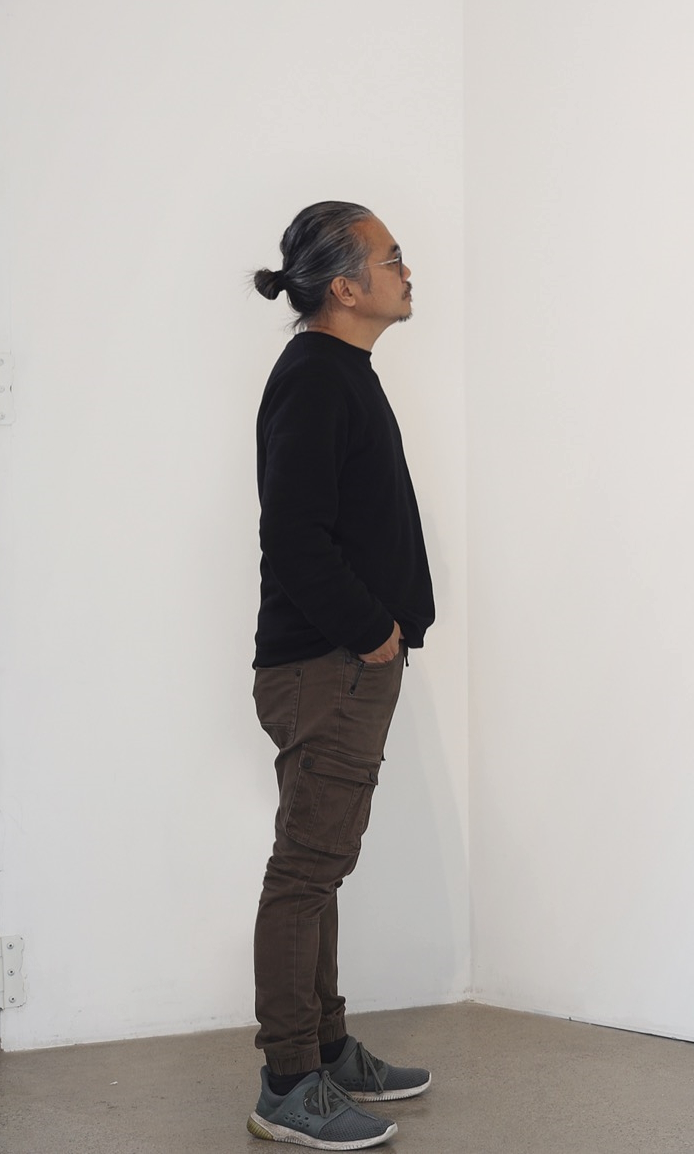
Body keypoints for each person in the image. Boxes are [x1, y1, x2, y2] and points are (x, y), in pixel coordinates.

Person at [245, 201, 435, 1149]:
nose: (410, 270)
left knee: (319, 870)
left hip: (339, 666)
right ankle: (288, 1081)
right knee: (305, 871)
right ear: (346, 286)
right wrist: (373, 634)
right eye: (393, 258)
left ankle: (322, 1045)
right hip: (328, 668)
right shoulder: (319, 379)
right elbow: (296, 538)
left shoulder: (336, 372)